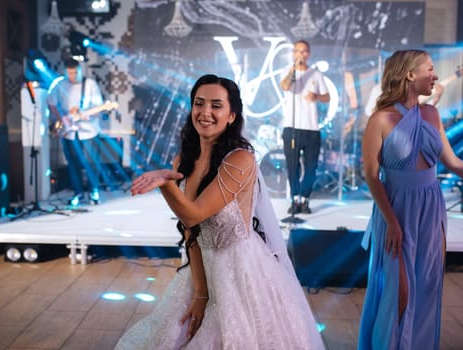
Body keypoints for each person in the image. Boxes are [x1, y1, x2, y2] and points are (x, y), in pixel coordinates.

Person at [115, 74, 325, 349]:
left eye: (216, 105)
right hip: (201, 271)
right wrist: (201, 293)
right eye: (199, 103)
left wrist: (165, 184)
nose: (205, 112)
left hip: (242, 275)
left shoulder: (241, 159)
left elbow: (193, 213)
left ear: (231, 116)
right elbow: (191, 230)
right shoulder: (184, 159)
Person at [358, 49, 463, 349]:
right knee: (399, 292)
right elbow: (371, 175)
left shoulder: (431, 114)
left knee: (428, 286)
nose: (436, 75)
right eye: (430, 69)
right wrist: (391, 222)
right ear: (409, 74)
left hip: (431, 209)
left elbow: (453, 163)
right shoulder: (380, 119)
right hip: (396, 211)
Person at [280, 40, 330, 214]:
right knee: (292, 166)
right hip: (291, 127)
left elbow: (327, 97)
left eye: (304, 52)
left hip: (311, 129)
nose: (301, 54)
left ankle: (305, 199)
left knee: (311, 167)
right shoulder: (288, 72)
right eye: (297, 51)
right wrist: (294, 69)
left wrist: (316, 96)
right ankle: (294, 199)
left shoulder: (316, 74)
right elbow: (285, 86)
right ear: (293, 53)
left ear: (308, 54)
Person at [47, 58, 104, 205]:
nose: (72, 76)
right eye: (69, 73)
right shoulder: (61, 85)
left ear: (80, 70)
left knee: (91, 162)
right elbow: (51, 103)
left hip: (88, 131)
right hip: (69, 132)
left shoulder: (90, 85)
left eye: (75, 72)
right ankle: (77, 192)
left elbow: (99, 109)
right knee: (73, 163)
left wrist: (87, 114)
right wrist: (61, 118)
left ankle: (94, 191)